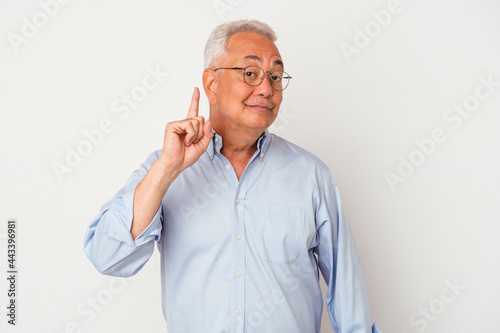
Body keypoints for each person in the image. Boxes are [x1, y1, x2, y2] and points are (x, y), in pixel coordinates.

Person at [84, 19, 382, 333]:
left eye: (276, 76)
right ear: (212, 84)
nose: (266, 89)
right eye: (250, 73)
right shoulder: (166, 168)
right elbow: (109, 256)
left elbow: (347, 292)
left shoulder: (311, 175)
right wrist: (167, 170)